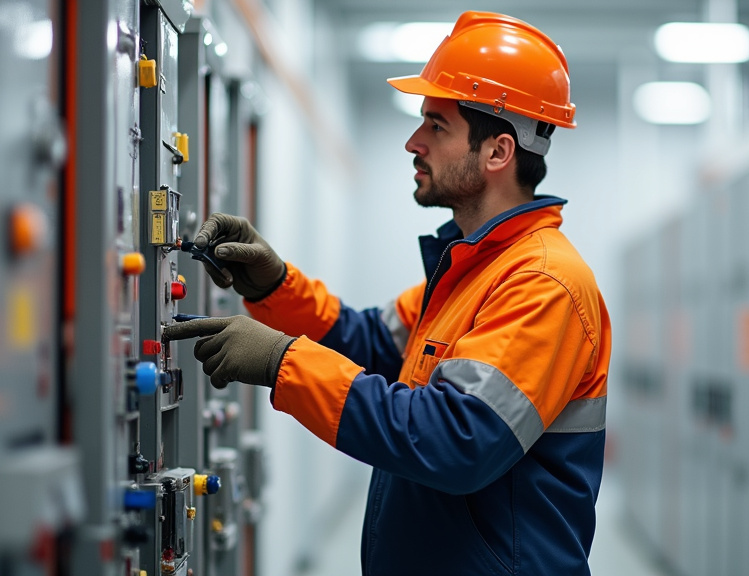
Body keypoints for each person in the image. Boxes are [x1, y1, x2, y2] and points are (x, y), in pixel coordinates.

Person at [164, 10, 611, 575]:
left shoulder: (542, 284)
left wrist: (284, 363)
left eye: (436, 125)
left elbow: (457, 440)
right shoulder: (470, 272)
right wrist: (275, 285)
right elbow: (369, 341)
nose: (412, 142)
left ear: (498, 152)